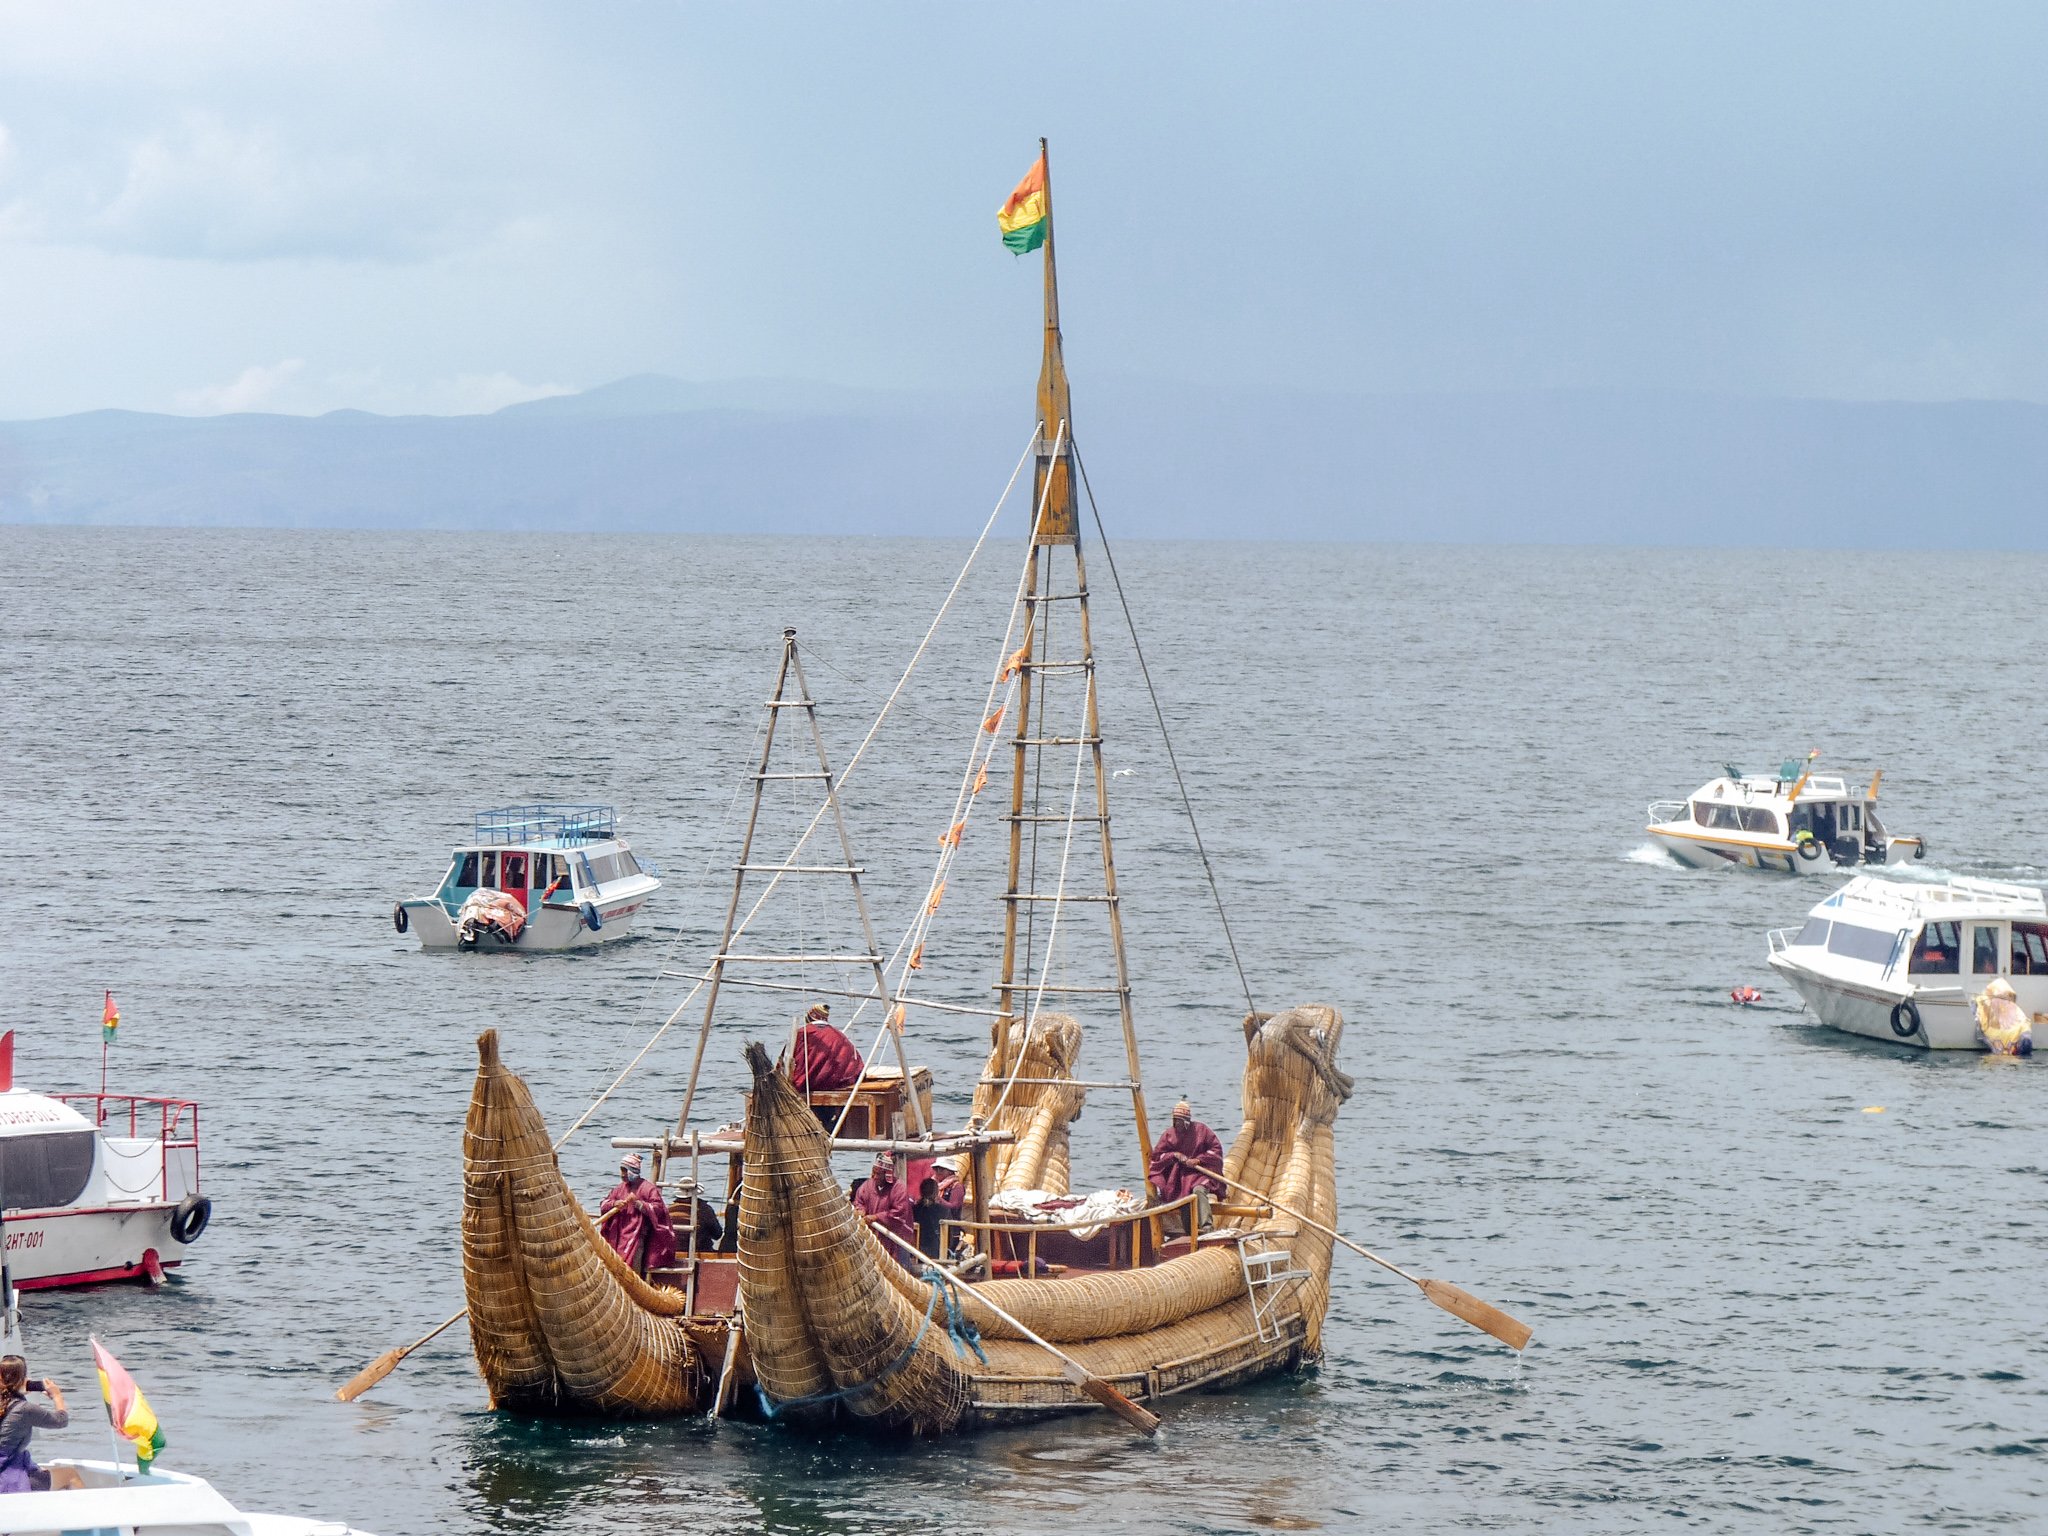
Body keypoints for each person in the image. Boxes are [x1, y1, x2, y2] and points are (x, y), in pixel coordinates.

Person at [0, 1357, 80, 1493]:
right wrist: (57, 1396)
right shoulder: (24, 1409)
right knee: (71, 1475)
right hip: (8, 1478)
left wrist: (17, 1393)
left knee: (41, 1470)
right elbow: (61, 1420)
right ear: (22, 1378)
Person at [599, 1153, 677, 1278]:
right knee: (614, 1264)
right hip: (618, 1234)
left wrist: (639, 1204)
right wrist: (614, 1203)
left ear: (633, 1171)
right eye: (621, 1170)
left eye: (625, 1171)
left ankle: (632, 1287)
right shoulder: (619, 1189)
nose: (623, 1174)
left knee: (632, 1268)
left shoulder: (648, 1188)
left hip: (637, 1235)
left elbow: (658, 1209)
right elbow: (603, 1204)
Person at [1148, 1099, 1226, 1205]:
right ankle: (1188, 1220)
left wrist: (1198, 1160)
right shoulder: (1169, 1134)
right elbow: (1157, 1157)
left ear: (1186, 1121)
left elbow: (1215, 1150)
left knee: (1199, 1190)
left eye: (1179, 1121)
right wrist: (1174, 1155)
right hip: (1178, 1176)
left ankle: (1205, 1222)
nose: (1177, 1123)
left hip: (1199, 1173)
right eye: (1175, 1120)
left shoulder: (1201, 1130)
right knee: (1181, 1198)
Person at [851, 1154, 916, 1264]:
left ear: (887, 1175)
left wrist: (876, 1217)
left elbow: (899, 1213)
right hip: (873, 1237)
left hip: (895, 1238)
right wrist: (860, 1210)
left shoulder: (898, 1189)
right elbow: (858, 1201)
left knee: (897, 1267)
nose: (875, 1177)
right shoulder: (867, 1186)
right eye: (874, 1173)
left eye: (879, 1174)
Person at [786, 1003, 864, 1092]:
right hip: (839, 1082)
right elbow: (855, 1064)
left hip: (812, 1083)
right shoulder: (839, 1035)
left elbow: (786, 1060)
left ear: (810, 1016)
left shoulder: (802, 1033)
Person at [912, 1176, 947, 1260]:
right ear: (936, 1192)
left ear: (921, 1191)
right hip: (937, 1253)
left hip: (917, 1252)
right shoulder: (943, 1210)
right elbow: (950, 1235)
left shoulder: (914, 1209)